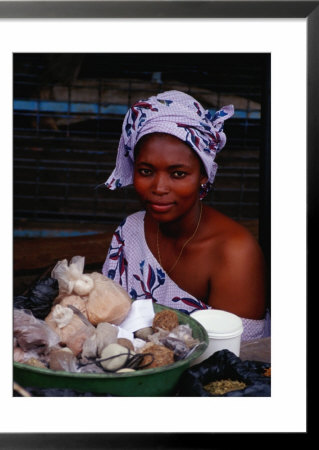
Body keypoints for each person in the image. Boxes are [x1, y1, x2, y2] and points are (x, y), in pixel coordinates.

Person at [102, 90, 270, 341]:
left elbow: (238, 357)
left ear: (204, 175)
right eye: (146, 171)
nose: (159, 188)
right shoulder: (131, 231)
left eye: (178, 174)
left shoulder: (234, 253)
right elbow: (105, 322)